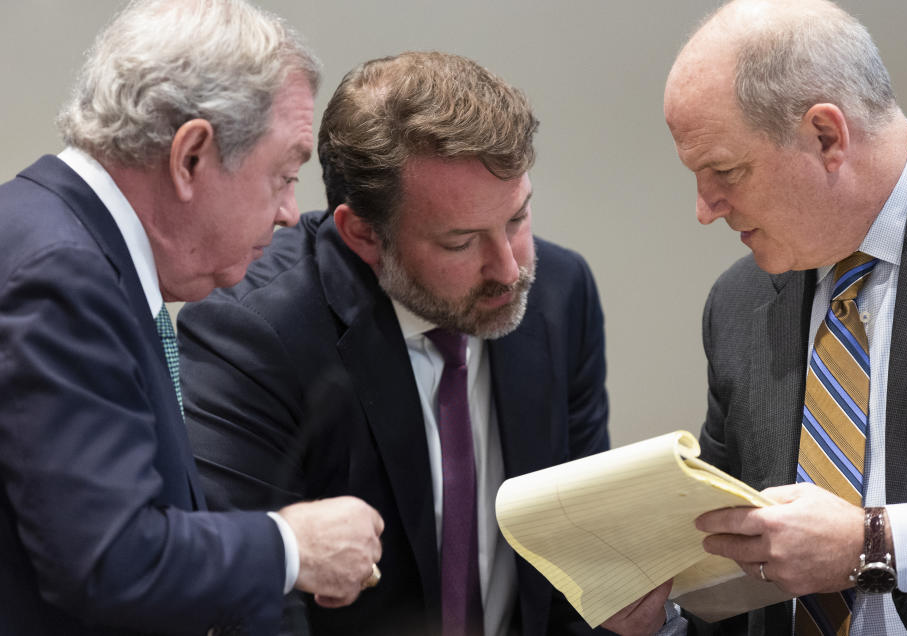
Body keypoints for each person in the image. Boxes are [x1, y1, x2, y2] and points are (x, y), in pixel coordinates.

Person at [176, 51, 611, 636]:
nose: (509, 270)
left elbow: (581, 548)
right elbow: (249, 605)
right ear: (361, 234)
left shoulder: (561, 292)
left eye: (517, 219)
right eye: (461, 243)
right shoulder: (253, 332)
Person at [0, 1, 385, 634]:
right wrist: (292, 547)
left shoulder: (63, 242)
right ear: (191, 158)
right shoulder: (61, 276)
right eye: (284, 176)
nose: (292, 212)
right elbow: (110, 562)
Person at [606, 0, 907, 634]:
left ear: (826, 136)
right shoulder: (737, 304)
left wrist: (871, 543)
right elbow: (734, 583)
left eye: (724, 171)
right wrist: (660, 622)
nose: (705, 208)